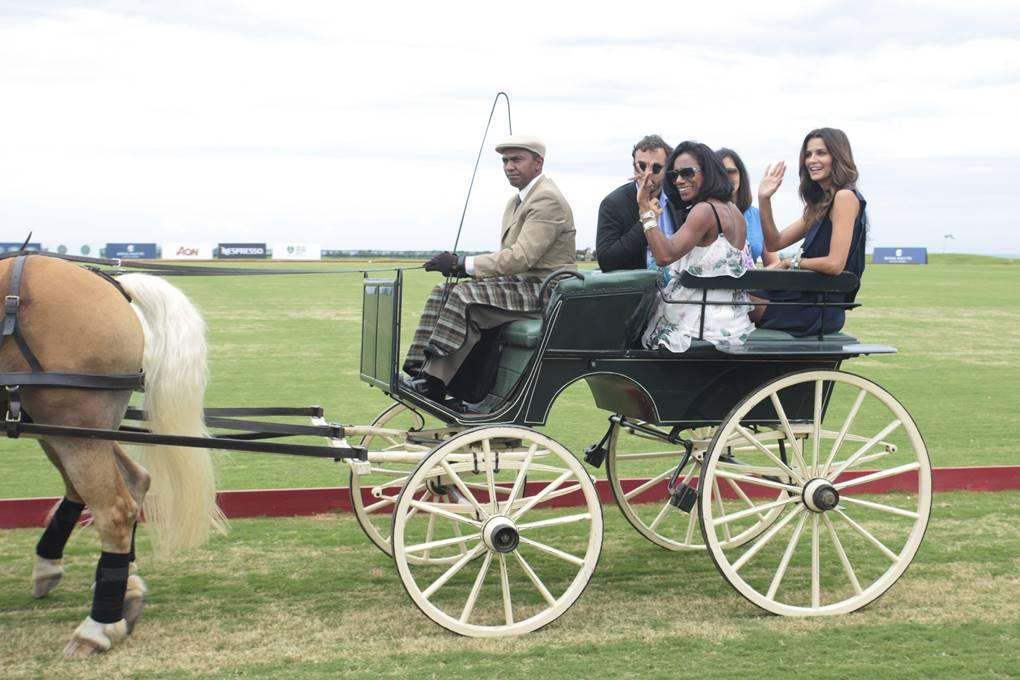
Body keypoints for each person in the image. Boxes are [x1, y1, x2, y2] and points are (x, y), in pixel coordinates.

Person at [402, 135, 576, 401]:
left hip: (545, 290)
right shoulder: (515, 201)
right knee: (443, 290)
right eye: (505, 161)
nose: (509, 166)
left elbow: (520, 258)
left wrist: (462, 264)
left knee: (463, 296)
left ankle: (435, 383)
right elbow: (509, 258)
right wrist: (459, 267)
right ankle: (419, 371)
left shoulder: (547, 200)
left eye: (517, 159)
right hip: (521, 285)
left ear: (538, 164)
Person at [638, 141, 754, 352]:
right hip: (730, 323)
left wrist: (644, 208)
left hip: (697, 325)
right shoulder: (734, 212)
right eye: (674, 175)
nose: (679, 180)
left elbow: (664, 255)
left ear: (708, 172)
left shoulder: (704, 211)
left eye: (687, 173)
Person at [750, 127, 867, 336]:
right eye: (808, 154)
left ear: (838, 157)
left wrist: (791, 262)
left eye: (821, 153)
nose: (812, 160)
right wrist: (764, 199)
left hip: (816, 310)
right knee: (733, 295)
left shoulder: (844, 197)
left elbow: (834, 264)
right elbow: (774, 243)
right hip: (802, 297)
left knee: (735, 300)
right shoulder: (820, 205)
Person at [596, 135, 690, 274]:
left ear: (667, 169)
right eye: (641, 166)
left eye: (656, 168)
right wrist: (646, 221)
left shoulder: (679, 200)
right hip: (637, 292)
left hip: (677, 290)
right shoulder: (613, 204)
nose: (647, 174)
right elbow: (606, 261)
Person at [716, 147, 778, 267]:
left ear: (741, 175)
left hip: (751, 284)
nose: (726, 177)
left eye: (731, 172)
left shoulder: (757, 216)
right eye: (720, 172)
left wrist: (754, 280)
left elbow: (774, 262)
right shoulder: (704, 213)